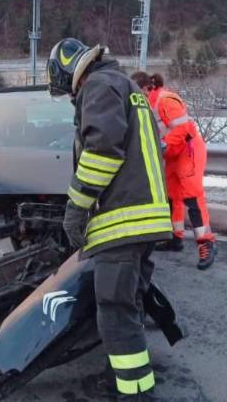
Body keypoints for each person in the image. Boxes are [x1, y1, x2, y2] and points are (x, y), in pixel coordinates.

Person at [48, 38, 172, 401]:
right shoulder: (128, 86)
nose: (71, 98)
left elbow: (103, 152)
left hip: (122, 222)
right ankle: (124, 379)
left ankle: (134, 394)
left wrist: (76, 207)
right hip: (145, 221)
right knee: (128, 307)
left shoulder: (99, 86)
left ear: (70, 71)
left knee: (115, 311)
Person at [131, 71, 217, 270]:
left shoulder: (164, 100)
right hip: (174, 153)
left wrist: (162, 145)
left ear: (145, 88)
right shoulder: (149, 104)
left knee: (192, 196)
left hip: (188, 151)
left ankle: (207, 243)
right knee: (172, 196)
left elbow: (185, 129)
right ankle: (175, 238)